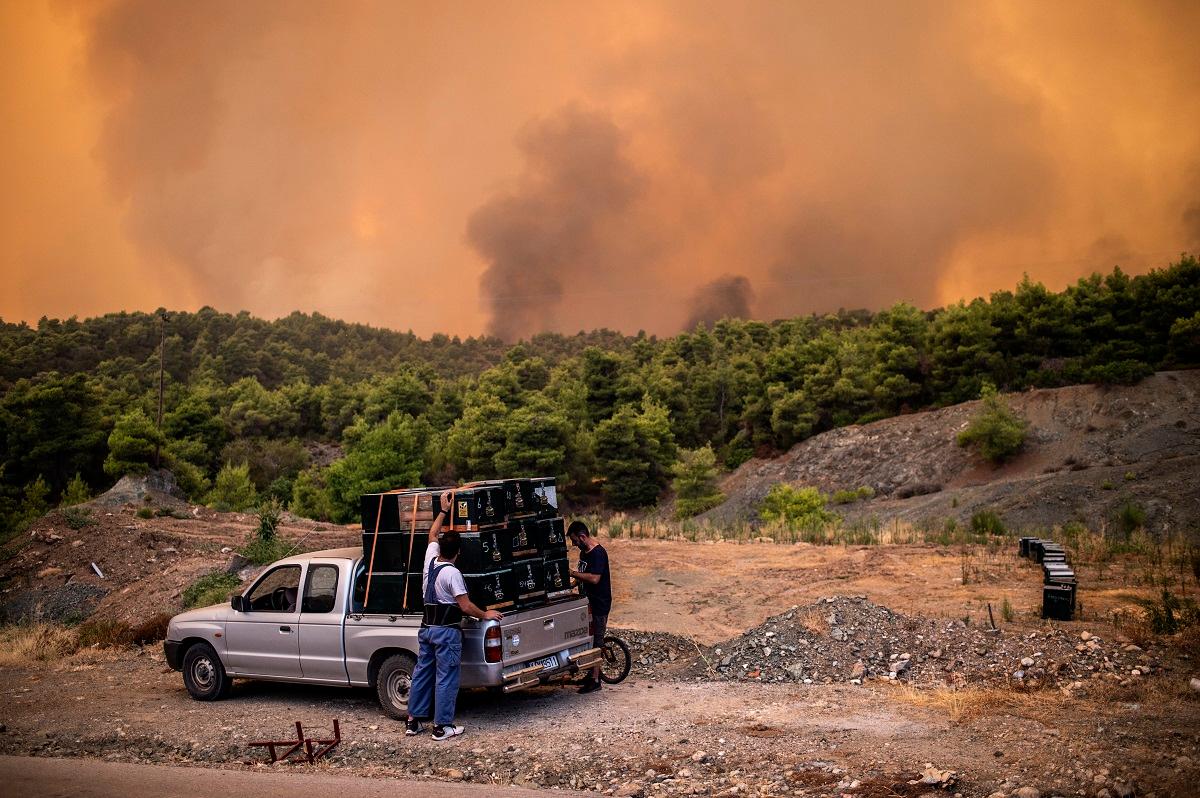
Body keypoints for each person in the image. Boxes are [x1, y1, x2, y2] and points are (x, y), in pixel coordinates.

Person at [406, 490, 503, 740]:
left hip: (426, 628)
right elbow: (465, 606)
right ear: (458, 552)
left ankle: (413, 721)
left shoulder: (430, 560)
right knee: (446, 678)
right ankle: (442, 727)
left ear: (441, 548)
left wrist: (443, 510)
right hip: (446, 632)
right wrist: (486, 614)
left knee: (422, 674)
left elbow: (431, 534)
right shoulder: (452, 574)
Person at [567, 520, 611, 694]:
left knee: (597, 641)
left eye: (575, 540)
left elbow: (594, 578)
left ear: (583, 536)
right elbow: (583, 575)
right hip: (586, 602)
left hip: (599, 603)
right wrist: (572, 584)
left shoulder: (598, 553)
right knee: (589, 638)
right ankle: (591, 672)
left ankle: (595, 680)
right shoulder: (584, 553)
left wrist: (573, 573)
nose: (574, 544)